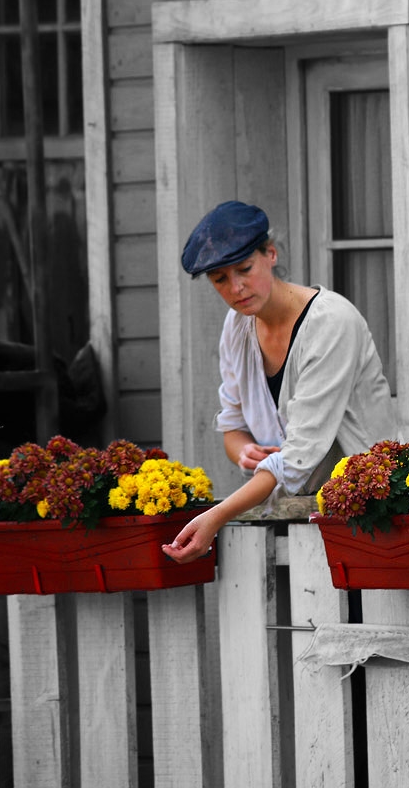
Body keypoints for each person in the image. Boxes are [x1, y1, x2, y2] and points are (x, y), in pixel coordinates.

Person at [162, 200, 396, 563]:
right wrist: (245, 451)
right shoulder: (237, 326)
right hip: (289, 518)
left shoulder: (330, 323)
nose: (236, 287)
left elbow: (298, 457)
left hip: (368, 517)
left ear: (270, 254)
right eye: (220, 279)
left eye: (244, 269)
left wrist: (216, 516)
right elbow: (233, 427)